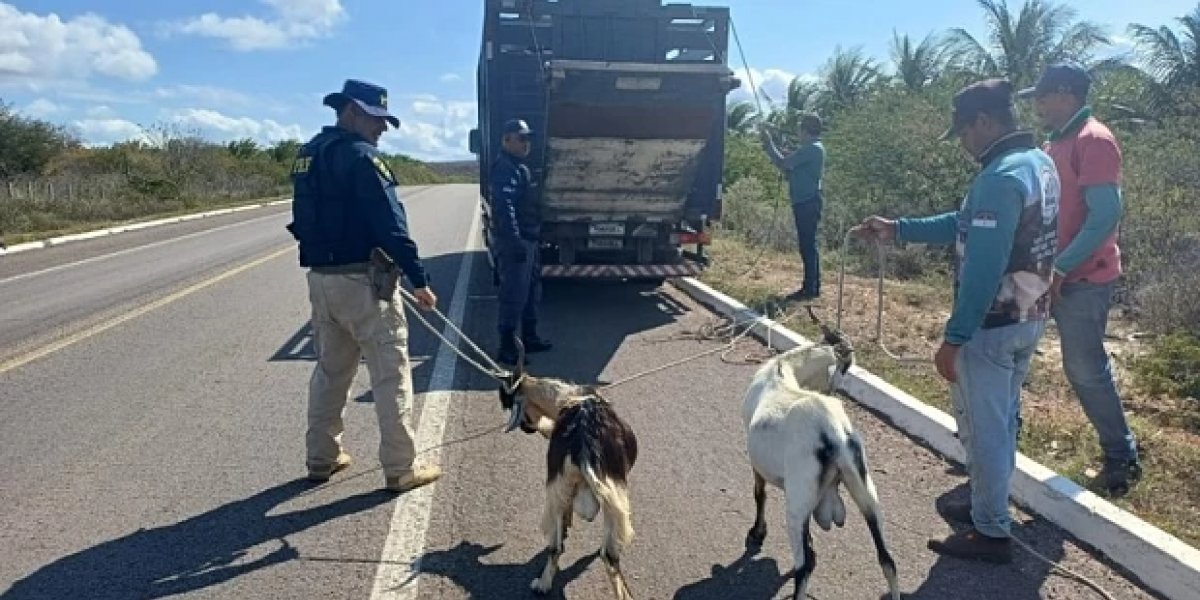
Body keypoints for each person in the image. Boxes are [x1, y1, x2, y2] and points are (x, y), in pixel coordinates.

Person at [851, 78, 1060, 563]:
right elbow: (965, 222)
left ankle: (991, 531)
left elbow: (985, 269)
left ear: (985, 122)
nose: (964, 143)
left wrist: (955, 338)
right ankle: (990, 505)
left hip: (992, 327)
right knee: (1002, 421)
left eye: (965, 132)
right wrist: (899, 229)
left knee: (984, 429)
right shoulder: (1037, 164)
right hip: (1030, 317)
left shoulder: (998, 177)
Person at [286, 79, 442, 494]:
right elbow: (392, 227)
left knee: (331, 371)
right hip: (362, 283)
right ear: (350, 111)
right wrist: (420, 280)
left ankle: (321, 458)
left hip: (321, 280)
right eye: (376, 119)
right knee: (391, 374)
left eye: (385, 122)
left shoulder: (308, 155)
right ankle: (401, 468)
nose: (381, 129)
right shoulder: (362, 159)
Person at [1019, 64, 1142, 497]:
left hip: (1082, 278)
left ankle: (1121, 456)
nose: (1037, 105)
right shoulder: (1056, 142)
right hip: (1049, 273)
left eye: (1043, 96)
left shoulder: (1095, 140)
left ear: (1066, 94)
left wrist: (1062, 267)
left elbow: (1105, 214)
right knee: (1013, 353)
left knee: (1085, 368)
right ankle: (1001, 440)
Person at [491, 118, 552, 365]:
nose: (527, 144)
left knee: (531, 292)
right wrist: (514, 241)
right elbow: (505, 208)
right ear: (507, 140)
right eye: (522, 138)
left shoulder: (520, 167)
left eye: (528, 139)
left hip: (530, 238)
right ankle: (507, 346)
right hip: (516, 241)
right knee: (514, 294)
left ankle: (530, 337)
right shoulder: (504, 167)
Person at [761, 113, 826, 300]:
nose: (798, 132)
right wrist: (774, 144)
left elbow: (784, 162)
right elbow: (789, 160)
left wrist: (768, 143)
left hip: (807, 202)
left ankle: (810, 288)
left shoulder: (812, 149)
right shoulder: (811, 149)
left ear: (806, 130)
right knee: (807, 245)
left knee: (808, 245)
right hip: (805, 201)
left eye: (800, 129)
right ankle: (811, 286)